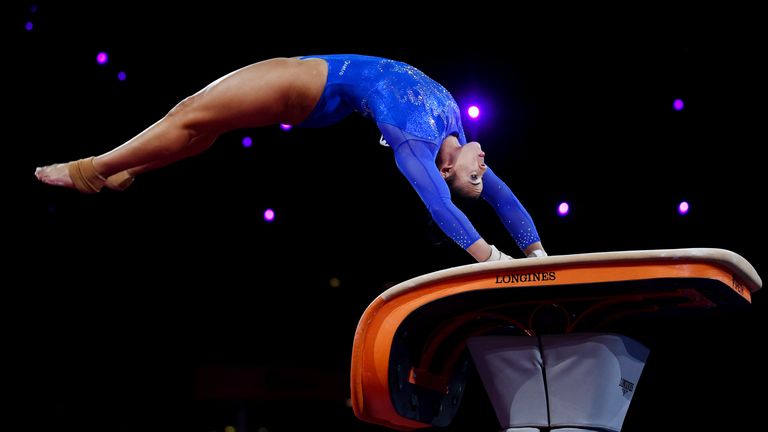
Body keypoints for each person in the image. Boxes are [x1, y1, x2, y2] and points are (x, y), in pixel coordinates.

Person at [34, 54, 546, 262]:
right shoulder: (456, 132)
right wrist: (538, 259)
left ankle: (94, 170)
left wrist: (492, 262)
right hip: (316, 84)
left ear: (445, 171)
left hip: (309, 84)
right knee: (208, 125)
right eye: (481, 174)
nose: (484, 172)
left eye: (472, 181)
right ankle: (130, 171)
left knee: (190, 113)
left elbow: (439, 208)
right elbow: (505, 201)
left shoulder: (417, 145)